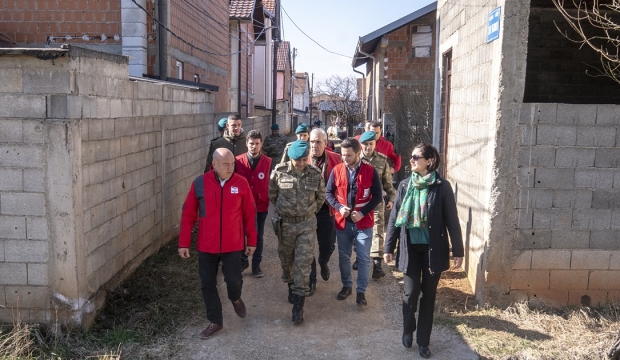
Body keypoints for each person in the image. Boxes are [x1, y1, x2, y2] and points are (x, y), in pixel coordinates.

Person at [384, 143, 464, 358]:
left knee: (429, 296)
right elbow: (395, 218)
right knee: (410, 294)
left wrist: (458, 250)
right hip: (410, 249)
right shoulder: (404, 185)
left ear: (429, 161)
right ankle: (408, 328)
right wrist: (388, 247)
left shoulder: (441, 186)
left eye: (415, 157)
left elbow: (452, 220)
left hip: (433, 250)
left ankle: (423, 341)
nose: (411, 160)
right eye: (411, 156)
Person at [178, 148, 257, 339]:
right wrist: (184, 242)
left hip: (233, 244)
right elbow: (188, 214)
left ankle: (235, 297)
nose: (230, 168)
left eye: (232, 164)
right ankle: (215, 321)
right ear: (214, 165)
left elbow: (249, 214)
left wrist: (252, 240)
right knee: (207, 284)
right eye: (225, 164)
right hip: (207, 245)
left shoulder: (241, 183)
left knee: (233, 280)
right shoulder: (200, 183)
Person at [269, 140, 325, 323]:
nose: (301, 163)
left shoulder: (315, 174)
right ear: (291, 159)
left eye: (303, 159)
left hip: (306, 225)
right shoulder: (279, 172)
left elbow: (321, 197)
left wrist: (309, 212)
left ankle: (298, 306)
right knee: (287, 261)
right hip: (285, 225)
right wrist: (284, 209)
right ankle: (291, 285)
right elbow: (272, 194)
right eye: (297, 160)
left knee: (303, 264)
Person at [325, 138, 382, 307]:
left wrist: (363, 213)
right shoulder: (336, 170)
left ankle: (361, 292)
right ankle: (347, 286)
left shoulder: (371, 171)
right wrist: (338, 208)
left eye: (349, 155)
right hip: (343, 223)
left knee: (363, 258)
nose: (345, 158)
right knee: (344, 256)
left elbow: (378, 196)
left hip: (364, 223)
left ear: (358, 153)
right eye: (343, 155)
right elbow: (328, 193)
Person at [307, 128, 342, 295]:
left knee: (327, 246)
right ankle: (311, 279)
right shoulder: (302, 159)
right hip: (307, 211)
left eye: (318, 142)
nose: (314, 145)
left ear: (326, 143)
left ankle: (323, 261)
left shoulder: (336, 159)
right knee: (306, 247)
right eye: (312, 142)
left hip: (327, 211)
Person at [358, 131, 396, 279]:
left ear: (375, 144)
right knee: (359, 231)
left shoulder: (382, 161)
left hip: (376, 202)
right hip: (359, 204)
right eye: (365, 144)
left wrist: (392, 199)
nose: (368, 147)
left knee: (377, 231)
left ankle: (377, 264)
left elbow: (389, 185)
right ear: (361, 145)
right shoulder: (354, 159)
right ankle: (360, 258)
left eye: (371, 144)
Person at [235, 130, 272, 278]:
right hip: (242, 206)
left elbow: (272, 183)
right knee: (241, 234)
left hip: (260, 205)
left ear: (261, 144)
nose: (254, 146)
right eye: (251, 143)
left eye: (257, 144)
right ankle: (242, 261)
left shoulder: (268, 162)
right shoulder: (238, 161)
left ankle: (256, 265)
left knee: (258, 235)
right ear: (246, 144)